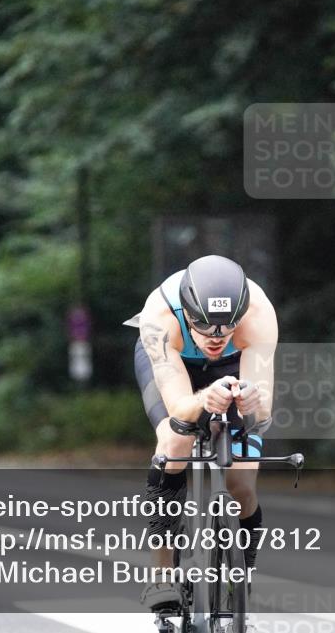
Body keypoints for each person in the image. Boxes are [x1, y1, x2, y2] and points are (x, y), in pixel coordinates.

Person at [133, 255, 277, 610]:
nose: (216, 339)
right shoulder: (159, 317)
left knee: (241, 485)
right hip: (175, 360)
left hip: (233, 366)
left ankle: (241, 573)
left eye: (226, 329)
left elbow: (263, 413)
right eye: (204, 327)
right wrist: (202, 400)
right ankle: (162, 575)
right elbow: (181, 407)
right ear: (186, 313)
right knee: (174, 441)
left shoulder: (259, 313)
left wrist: (252, 403)